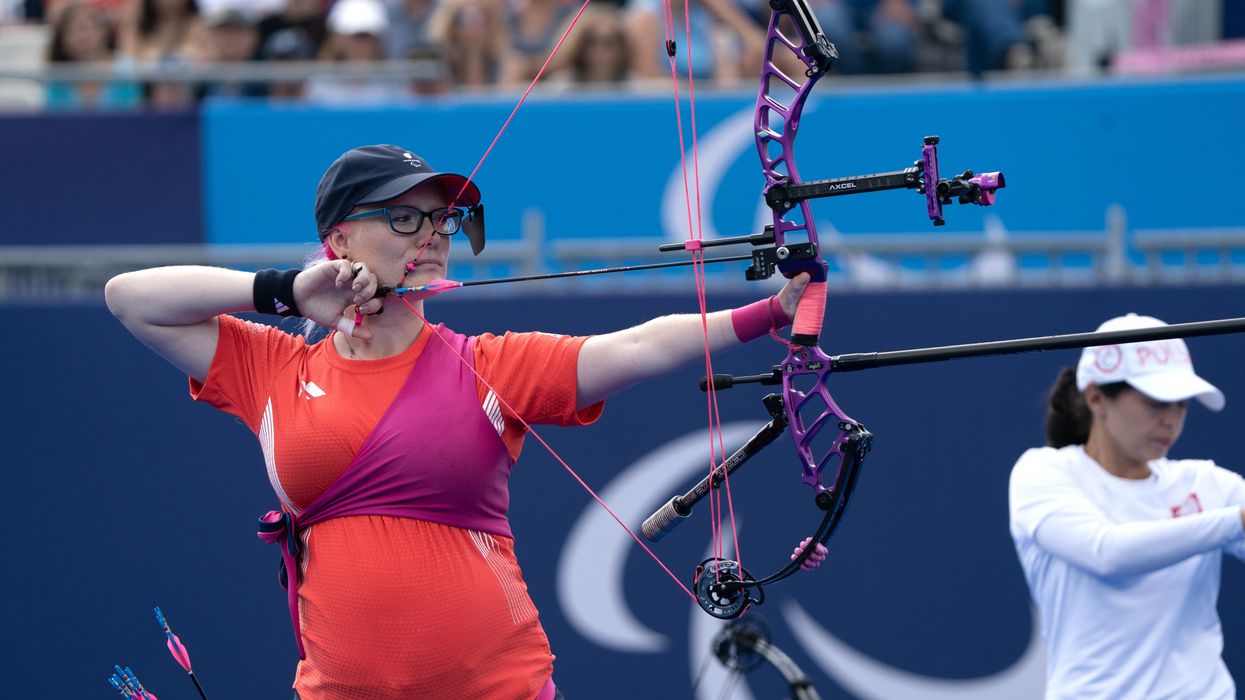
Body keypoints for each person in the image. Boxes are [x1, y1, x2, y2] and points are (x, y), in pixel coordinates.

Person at [104, 143, 823, 699]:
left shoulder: (489, 364)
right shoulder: (275, 367)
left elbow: (633, 347)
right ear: (339, 241)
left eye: (445, 219)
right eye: (404, 217)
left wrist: (766, 313)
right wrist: (285, 291)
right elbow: (130, 297)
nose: (434, 235)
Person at [1009, 313, 1245, 699]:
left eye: (1182, 405)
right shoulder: (1042, 472)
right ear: (1097, 397)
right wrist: (1235, 521)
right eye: (1156, 402)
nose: (1172, 420)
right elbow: (1107, 552)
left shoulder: (1207, 483)